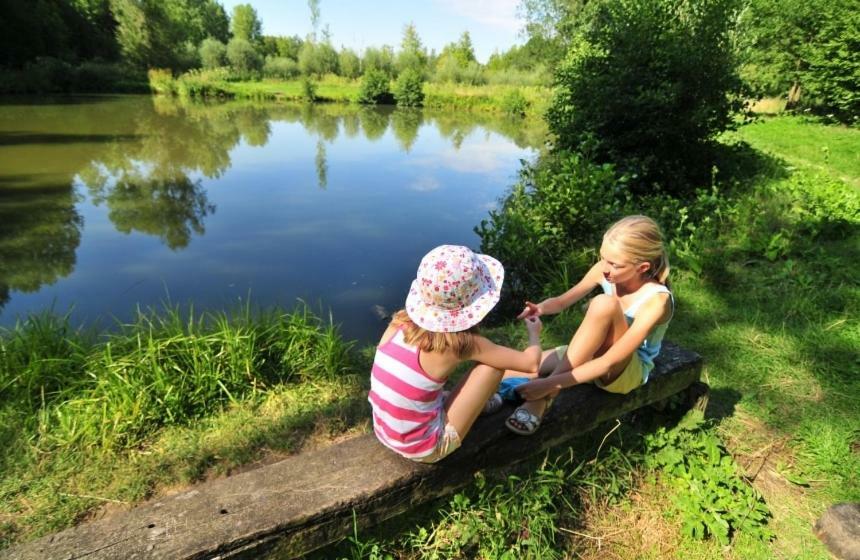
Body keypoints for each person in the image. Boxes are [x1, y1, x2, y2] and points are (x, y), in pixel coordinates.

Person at [369, 244, 542, 463]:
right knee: (492, 367)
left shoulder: (397, 323)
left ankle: (469, 404)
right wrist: (534, 333)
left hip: (384, 430)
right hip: (426, 448)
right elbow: (532, 363)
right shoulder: (461, 343)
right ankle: (480, 405)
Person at [504, 215, 674, 435]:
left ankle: (544, 399)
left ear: (642, 267)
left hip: (625, 370)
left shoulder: (656, 301)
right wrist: (542, 308)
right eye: (603, 258)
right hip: (594, 352)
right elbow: (562, 301)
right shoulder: (605, 271)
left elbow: (608, 362)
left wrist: (551, 384)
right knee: (510, 370)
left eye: (614, 264)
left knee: (603, 303)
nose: (605, 268)